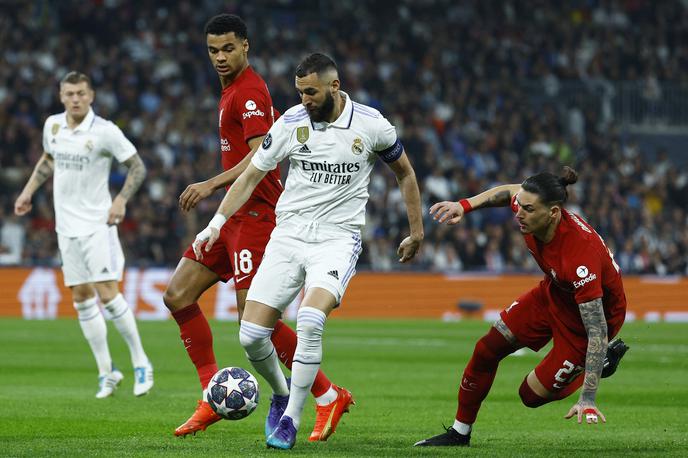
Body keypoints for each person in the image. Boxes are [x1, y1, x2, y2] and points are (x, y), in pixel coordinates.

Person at [192, 52, 424, 449]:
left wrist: (416, 231)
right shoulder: (291, 123)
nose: (305, 101)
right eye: (300, 92)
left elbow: (404, 172)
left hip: (337, 238)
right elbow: (250, 176)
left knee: (311, 319)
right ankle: (285, 392)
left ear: (334, 86)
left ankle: (291, 419)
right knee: (251, 336)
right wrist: (214, 224)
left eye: (311, 92)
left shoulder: (371, 125)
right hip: (288, 236)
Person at [165, 15, 353, 440]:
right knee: (177, 295)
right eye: (213, 50)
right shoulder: (231, 90)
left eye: (228, 48)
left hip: (256, 216)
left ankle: (326, 395)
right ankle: (212, 394)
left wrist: (210, 184)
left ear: (245, 46)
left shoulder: (248, 91)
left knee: (257, 323)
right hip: (233, 217)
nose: (219, 57)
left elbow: (258, 157)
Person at [415, 167, 630, 447]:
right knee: (485, 350)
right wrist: (463, 205)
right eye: (520, 206)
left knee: (529, 396)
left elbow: (598, 329)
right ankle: (459, 433)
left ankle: (600, 363)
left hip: (586, 323)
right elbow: (506, 192)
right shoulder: (529, 208)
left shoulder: (579, 256)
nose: (518, 213)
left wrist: (587, 398)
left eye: (528, 209)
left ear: (553, 213)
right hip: (555, 293)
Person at [14, 71, 154, 398]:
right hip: (66, 227)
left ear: (90, 95)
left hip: (97, 225)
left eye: (80, 93)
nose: (75, 98)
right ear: (61, 96)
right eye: (69, 93)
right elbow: (49, 160)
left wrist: (120, 200)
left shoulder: (105, 131)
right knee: (80, 298)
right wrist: (28, 191)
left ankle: (141, 362)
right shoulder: (53, 126)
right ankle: (107, 372)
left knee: (107, 292)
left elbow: (138, 167)